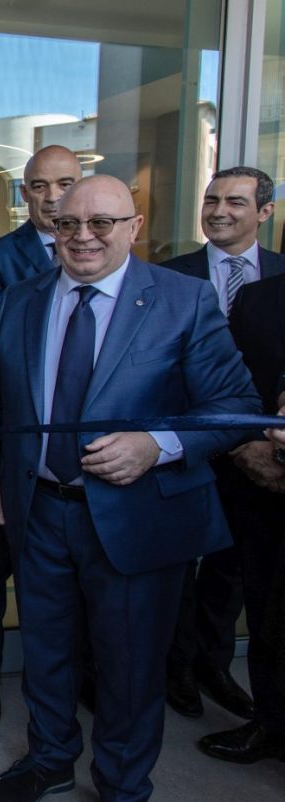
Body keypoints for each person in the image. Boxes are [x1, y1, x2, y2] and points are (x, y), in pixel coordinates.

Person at [0, 175, 260, 802]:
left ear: (134, 227)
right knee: (46, 653)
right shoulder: (21, 298)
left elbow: (236, 406)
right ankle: (49, 760)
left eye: (101, 222)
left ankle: (124, 788)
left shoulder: (183, 299)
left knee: (128, 666)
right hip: (39, 509)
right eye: (68, 223)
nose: (83, 236)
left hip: (136, 517)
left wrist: (157, 444)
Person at [0, 144, 82, 729]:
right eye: (39, 186)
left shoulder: (103, 251)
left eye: (65, 184)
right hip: (11, 453)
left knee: (71, 587)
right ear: (25, 193)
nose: (53, 197)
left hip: (81, 461)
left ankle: (68, 686)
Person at [161, 166, 284, 721]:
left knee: (233, 569)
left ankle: (213, 666)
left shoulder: (281, 278)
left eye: (235, 201)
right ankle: (176, 671)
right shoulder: (167, 275)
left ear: (264, 212)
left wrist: (257, 442)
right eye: (211, 199)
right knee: (177, 565)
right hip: (186, 444)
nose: (218, 210)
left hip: (262, 456)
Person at [194, 271, 285, 763]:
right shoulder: (259, 297)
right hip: (263, 485)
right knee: (267, 610)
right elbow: (233, 389)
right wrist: (250, 447)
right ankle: (271, 724)